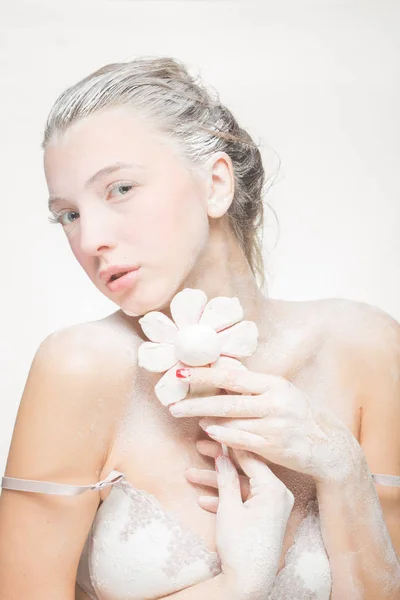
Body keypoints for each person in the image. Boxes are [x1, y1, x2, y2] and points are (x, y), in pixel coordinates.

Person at [0, 56, 399, 599]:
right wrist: (239, 584)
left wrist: (344, 471)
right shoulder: (77, 367)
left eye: (119, 189)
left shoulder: (366, 349)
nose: (90, 238)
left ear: (215, 184)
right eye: (68, 214)